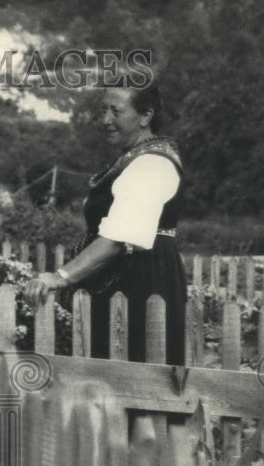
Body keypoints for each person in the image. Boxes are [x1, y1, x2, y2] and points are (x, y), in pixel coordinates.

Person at [24, 81, 186, 364]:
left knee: (137, 369)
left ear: (145, 115)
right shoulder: (131, 158)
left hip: (143, 278)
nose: (106, 120)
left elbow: (117, 237)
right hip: (120, 275)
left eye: (116, 111)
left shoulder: (152, 163)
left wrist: (60, 276)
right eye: (103, 111)